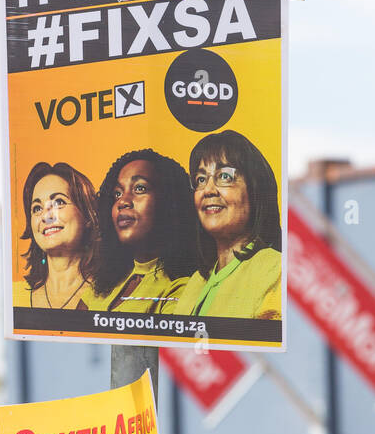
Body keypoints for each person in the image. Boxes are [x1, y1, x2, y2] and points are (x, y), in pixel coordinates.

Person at [164, 130, 282, 320]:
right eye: (201, 179)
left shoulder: (276, 270)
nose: (208, 190)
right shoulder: (197, 281)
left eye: (225, 176)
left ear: (255, 189)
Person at [90, 149, 196, 314]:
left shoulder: (181, 287)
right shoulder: (104, 281)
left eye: (139, 188)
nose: (122, 201)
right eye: (117, 193)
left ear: (169, 201)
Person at [14, 162, 100, 310]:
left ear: (87, 215)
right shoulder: (14, 297)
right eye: (37, 208)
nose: (46, 216)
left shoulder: (112, 296)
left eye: (59, 202)